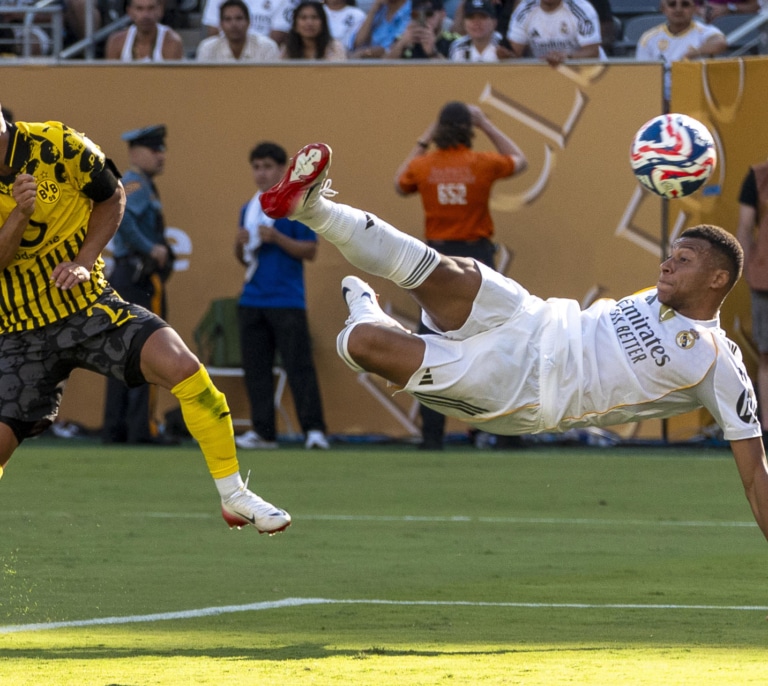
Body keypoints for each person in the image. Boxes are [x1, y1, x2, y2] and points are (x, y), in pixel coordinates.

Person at [257, 141, 768, 542]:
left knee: (367, 343)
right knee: (447, 271)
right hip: (531, 316)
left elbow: (754, 473)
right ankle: (312, 208)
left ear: (718, 281)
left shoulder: (716, 362)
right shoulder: (656, 296)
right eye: (670, 254)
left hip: (522, 390)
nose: (667, 264)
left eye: (684, 260)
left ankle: (366, 313)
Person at [0, 104, 290, 535]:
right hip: (19, 332)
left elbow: (112, 194)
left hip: (88, 306)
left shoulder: (56, 143)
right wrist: (20, 215)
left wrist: (84, 260)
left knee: (185, 368)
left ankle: (234, 496)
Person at [394, 101, 527, 449]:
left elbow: (399, 183)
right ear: (469, 129)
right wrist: (486, 124)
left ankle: (432, 436)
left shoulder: (424, 166)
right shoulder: (481, 163)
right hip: (477, 259)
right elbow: (521, 160)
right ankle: (504, 435)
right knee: (495, 344)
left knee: (432, 346)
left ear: (439, 130)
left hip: (436, 260)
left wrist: (425, 136)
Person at [234, 142, 329, 450]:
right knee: (256, 371)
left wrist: (276, 237)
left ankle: (314, 431)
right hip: (252, 299)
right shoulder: (249, 208)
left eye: (267, 167)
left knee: (299, 367)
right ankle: (264, 432)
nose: (261, 173)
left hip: (287, 299)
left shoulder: (296, 206)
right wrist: (240, 243)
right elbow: (244, 258)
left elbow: (311, 250)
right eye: (256, 167)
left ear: (282, 169)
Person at [102, 125, 176, 445]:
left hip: (125, 276)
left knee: (122, 355)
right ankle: (142, 428)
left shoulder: (137, 184)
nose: (160, 155)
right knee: (150, 352)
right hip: (139, 279)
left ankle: (116, 428)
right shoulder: (136, 185)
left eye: (161, 149)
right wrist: (151, 248)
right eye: (153, 149)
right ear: (134, 152)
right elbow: (125, 219)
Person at [635, 0, 726, 107]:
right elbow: (643, 76)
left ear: (694, 9)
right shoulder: (649, 38)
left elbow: (720, 43)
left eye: (685, 4)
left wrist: (692, 54)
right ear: (663, 8)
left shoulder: (703, 31)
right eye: (672, 4)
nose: (678, 9)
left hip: (698, 99)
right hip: (659, 101)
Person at [736, 158, 768, 446]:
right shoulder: (758, 176)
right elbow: (744, 228)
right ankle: (767, 431)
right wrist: (748, 270)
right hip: (765, 280)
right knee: (767, 356)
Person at [505, 0, 604, 66]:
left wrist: (567, 57)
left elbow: (592, 52)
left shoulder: (582, 8)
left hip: (585, 72)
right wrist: (506, 55)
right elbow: (515, 53)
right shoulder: (523, 10)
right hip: (545, 74)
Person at [195, 0, 280, 60]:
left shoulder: (267, 47)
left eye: (239, 18)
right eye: (228, 19)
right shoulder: (207, 48)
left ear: (249, 22)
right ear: (221, 24)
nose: (234, 24)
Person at [104, 0, 184, 61]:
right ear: (129, 12)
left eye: (151, 8)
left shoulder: (171, 42)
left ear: (160, 10)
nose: (145, 15)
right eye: (139, 9)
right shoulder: (116, 42)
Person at [387, 0, 456, 59]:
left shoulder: (454, 42)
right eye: (416, 14)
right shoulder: (402, 39)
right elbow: (383, 68)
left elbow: (456, 73)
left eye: (429, 14)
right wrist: (401, 45)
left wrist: (432, 53)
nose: (423, 19)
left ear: (442, 14)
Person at [281, 0, 347, 59]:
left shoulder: (334, 48)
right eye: (303, 18)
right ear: (295, 24)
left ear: (323, 22)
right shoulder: (287, 49)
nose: (309, 23)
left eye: (315, 17)